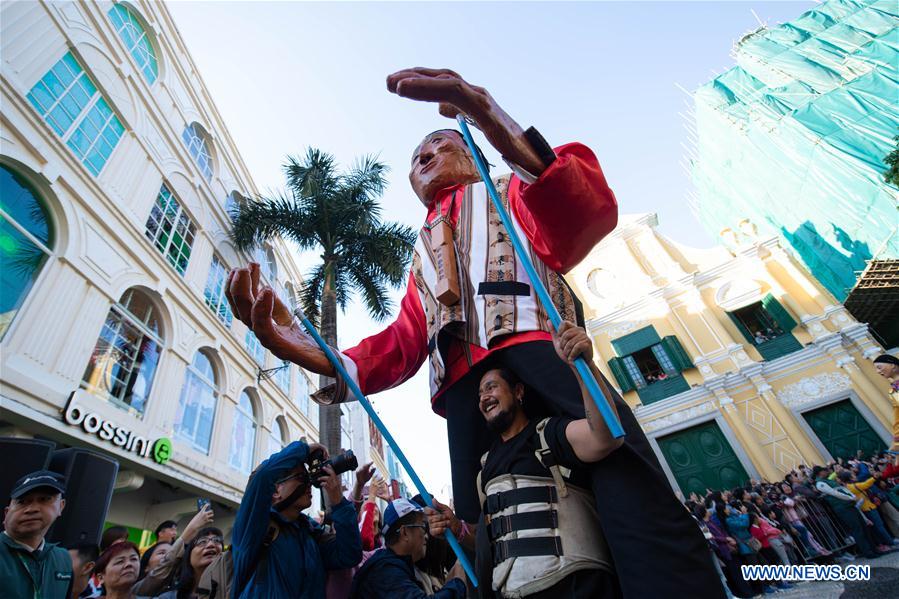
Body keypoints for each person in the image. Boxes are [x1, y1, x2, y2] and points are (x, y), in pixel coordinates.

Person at [227, 67, 723, 599]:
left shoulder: (507, 190)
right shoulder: (419, 252)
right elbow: (402, 342)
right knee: (486, 518)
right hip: (463, 387)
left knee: (622, 475)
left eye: (439, 144)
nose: (424, 155)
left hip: (537, 352)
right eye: (416, 156)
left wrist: (484, 110)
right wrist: (311, 352)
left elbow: (578, 211)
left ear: (473, 155)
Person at [230, 440, 362, 598]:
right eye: (301, 477)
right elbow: (262, 476)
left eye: (308, 478)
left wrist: (338, 501)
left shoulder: (311, 534)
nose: (309, 483)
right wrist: (304, 450)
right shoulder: (254, 526)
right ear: (275, 491)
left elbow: (350, 555)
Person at [349, 498, 467, 598]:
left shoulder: (391, 565)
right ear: (404, 532)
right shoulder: (385, 572)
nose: (426, 535)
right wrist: (459, 582)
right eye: (423, 526)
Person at [0, 470, 73, 599]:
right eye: (22, 501)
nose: (32, 509)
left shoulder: (63, 559)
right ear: (6, 513)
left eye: (44, 499)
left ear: (61, 506)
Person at [132, 503, 215, 597]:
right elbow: (167, 563)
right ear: (145, 566)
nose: (168, 556)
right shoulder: (135, 590)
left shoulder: (180, 592)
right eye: (162, 553)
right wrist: (192, 528)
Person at [812, 466, 878, 558]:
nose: (827, 472)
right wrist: (851, 498)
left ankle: (874, 549)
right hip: (842, 507)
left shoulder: (827, 480)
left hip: (849, 505)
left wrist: (851, 497)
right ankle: (868, 552)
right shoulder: (820, 484)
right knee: (857, 530)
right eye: (824, 470)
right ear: (820, 473)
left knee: (863, 527)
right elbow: (834, 493)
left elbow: (842, 489)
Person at [152, 527, 223, 599]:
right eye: (202, 541)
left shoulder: (228, 593)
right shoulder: (169, 597)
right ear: (188, 556)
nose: (211, 544)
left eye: (217, 540)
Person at [837, 470, 897, 550]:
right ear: (850, 478)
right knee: (879, 526)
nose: (855, 476)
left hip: (867, 508)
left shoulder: (849, 486)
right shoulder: (852, 486)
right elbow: (865, 484)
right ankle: (890, 542)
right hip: (868, 508)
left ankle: (887, 542)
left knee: (878, 527)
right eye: (853, 475)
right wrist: (874, 478)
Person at [873, 353, 899, 452]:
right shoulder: (893, 391)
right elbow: (897, 416)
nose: (878, 371)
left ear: (892, 365)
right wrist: (897, 441)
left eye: (879, 367)